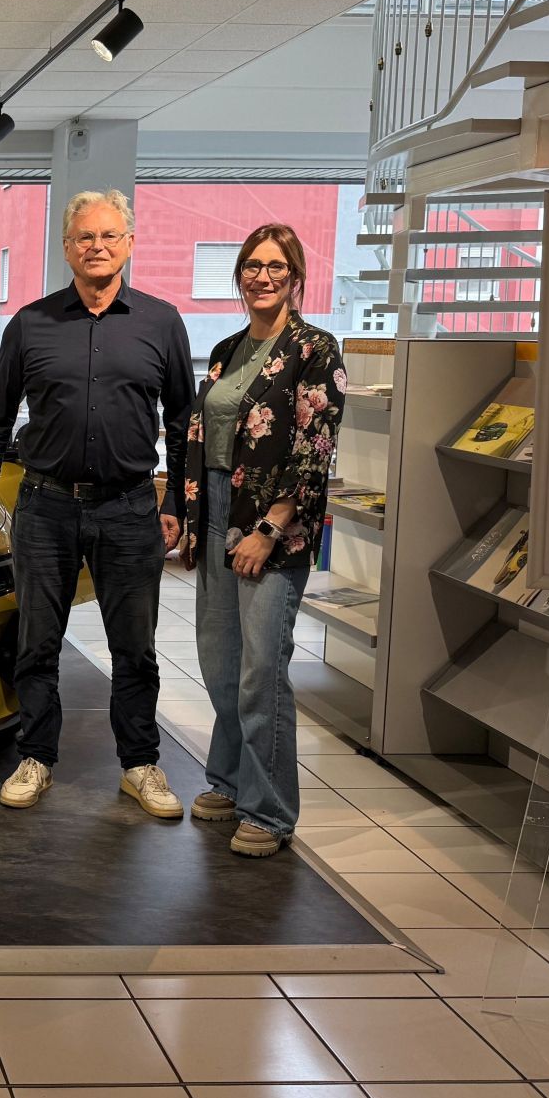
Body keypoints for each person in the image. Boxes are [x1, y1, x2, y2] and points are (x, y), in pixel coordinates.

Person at [0, 189, 195, 816]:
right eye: (84, 237)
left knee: (136, 648)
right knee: (38, 642)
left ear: (128, 242)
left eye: (108, 235)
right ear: (67, 248)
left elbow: (182, 422)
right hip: (45, 507)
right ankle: (36, 756)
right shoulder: (31, 324)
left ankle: (140, 765)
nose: (97, 246)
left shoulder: (161, 322)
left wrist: (176, 497)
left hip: (129, 508)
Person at [183, 223, 345, 857]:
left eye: (276, 265)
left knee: (261, 672)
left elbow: (313, 448)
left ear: (295, 274)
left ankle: (271, 810)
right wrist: (196, 521)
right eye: (252, 265)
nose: (263, 276)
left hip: (274, 523)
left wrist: (271, 529)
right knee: (220, 664)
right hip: (219, 510)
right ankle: (230, 779)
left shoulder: (315, 349)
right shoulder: (226, 348)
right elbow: (202, 438)